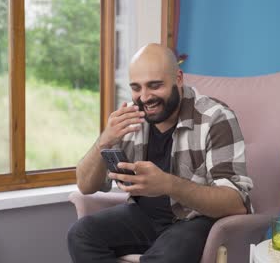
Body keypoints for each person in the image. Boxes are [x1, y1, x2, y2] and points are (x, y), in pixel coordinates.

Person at [67, 43, 253, 263]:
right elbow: (85, 185)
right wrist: (104, 140)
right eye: (136, 88)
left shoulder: (215, 118)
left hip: (193, 219)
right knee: (81, 234)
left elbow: (236, 202)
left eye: (154, 86)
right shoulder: (131, 118)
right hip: (142, 217)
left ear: (179, 79)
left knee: (167, 256)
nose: (145, 98)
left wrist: (168, 185)